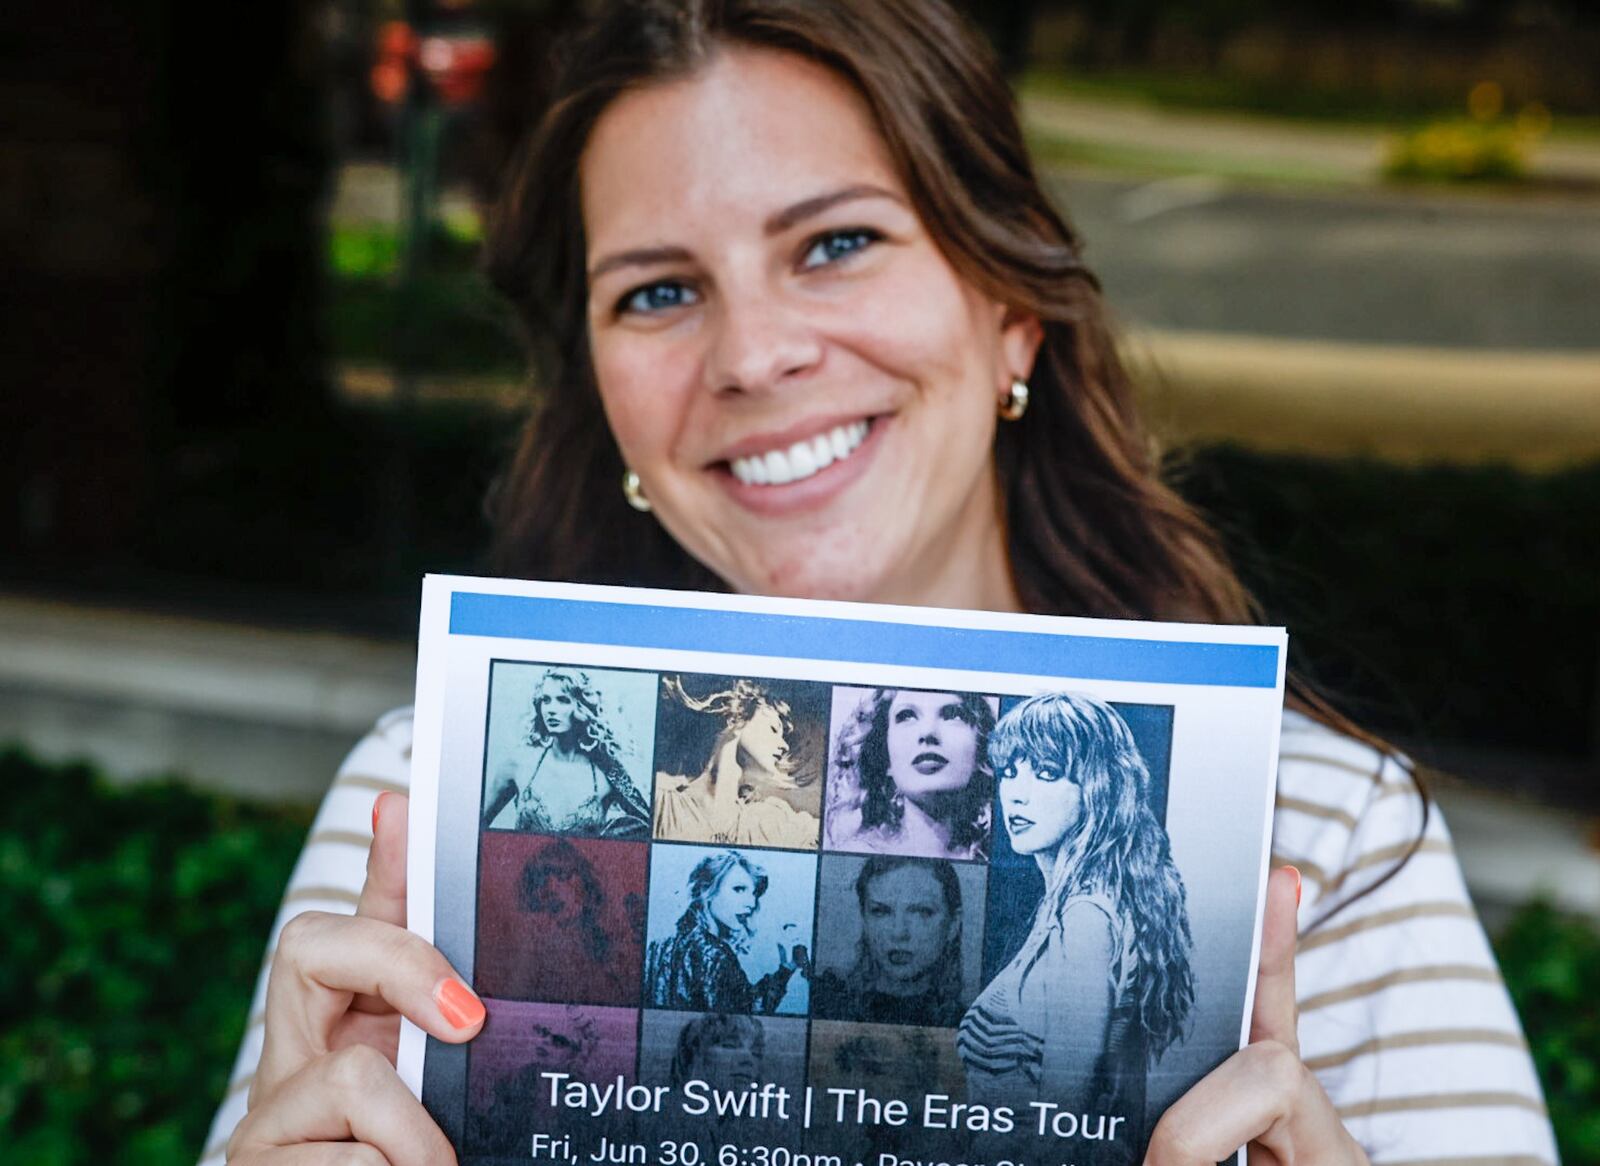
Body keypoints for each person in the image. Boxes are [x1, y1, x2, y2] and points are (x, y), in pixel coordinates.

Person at [207, 2, 1557, 1164]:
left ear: (1010, 306)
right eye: (658, 293)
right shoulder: (430, 807)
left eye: (837, 242)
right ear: (603, 401)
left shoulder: (1323, 835)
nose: (753, 353)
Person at [958, 692, 1194, 1154]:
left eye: (1047, 773)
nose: (1017, 793)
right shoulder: (1067, 907)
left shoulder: (1085, 918)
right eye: (1010, 772)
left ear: (1098, 788)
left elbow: (1063, 1121)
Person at [826, 689, 995, 860]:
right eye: (906, 716)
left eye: (953, 715)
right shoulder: (854, 857)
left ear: (981, 751)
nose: (928, 732)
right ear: (885, 757)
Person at [482, 666, 650, 838]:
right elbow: (476, 827)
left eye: (563, 700)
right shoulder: (517, 764)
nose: (550, 710)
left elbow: (646, 823)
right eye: (546, 700)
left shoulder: (605, 771)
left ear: (582, 707)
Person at [653, 676, 819, 848]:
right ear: (738, 714)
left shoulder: (773, 822)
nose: (784, 745)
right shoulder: (661, 803)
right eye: (773, 729)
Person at [474, 836, 639, 1003]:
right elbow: (516, 1000)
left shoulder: (615, 943)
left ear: (585, 881)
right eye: (542, 878)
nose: (551, 887)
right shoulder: (533, 945)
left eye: (562, 875)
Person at [643, 849, 805, 1013]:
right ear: (707, 891)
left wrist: (787, 967)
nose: (751, 902)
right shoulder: (716, 956)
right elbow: (745, 1014)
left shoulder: (659, 946)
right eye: (739, 889)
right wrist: (785, 971)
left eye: (754, 893)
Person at [813, 855, 968, 1026]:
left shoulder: (972, 1027)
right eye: (881, 911)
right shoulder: (823, 1002)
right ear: (864, 918)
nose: (899, 932)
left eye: (922, 912)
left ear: (953, 924)